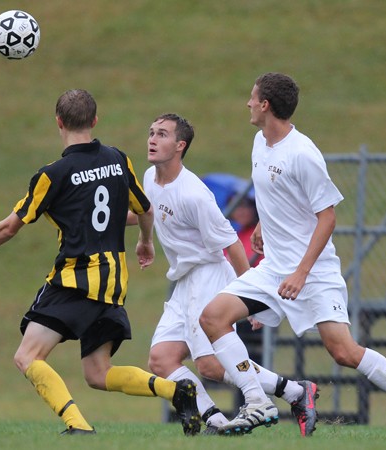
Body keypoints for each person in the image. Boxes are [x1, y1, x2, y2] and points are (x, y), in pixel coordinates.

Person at [0, 89, 200, 436]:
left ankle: (78, 426)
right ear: (94, 121)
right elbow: (145, 209)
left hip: (75, 279)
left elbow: (9, 227)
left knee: (28, 357)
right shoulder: (118, 159)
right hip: (114, 281)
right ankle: (176, 390)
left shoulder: (54, 175)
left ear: (59, 122)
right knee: (98, 373)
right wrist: (146, 242)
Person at [198, 72, 386, 440]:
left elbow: (328, 217)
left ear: (266, 105)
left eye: (252, 98)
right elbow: (272, 194)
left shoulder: (302, 153)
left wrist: (301, 272)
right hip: (272, 270)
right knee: (213, 317)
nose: (247, 104)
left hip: (312, 273)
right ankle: (258, 401)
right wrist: (264, 225)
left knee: (343, 351)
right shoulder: (258, 142)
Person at [134, 113, 319, 436]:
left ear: (180, 146)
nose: (152, 139)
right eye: (151, 132)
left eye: (161, 134)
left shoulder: (195, 195)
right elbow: (146, 211)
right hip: (184, 281)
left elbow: (232, 245)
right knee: (162, 359)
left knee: (209, 366)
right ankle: (220, 421)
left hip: (208, 276)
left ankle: (286, 394)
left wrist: (253, 300)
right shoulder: (150, 177)